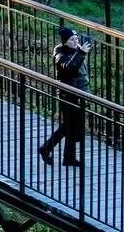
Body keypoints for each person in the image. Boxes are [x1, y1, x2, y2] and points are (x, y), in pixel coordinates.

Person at [38, 26, 91, 167]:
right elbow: (69, 68)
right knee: (69, 126)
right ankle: (46, 149)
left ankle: (68, 157)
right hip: (68, 95)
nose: (75, 42)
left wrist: (79, 51)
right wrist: (80, 53)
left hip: (79, 93)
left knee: (72, 126)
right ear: (65, 42)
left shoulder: (74, 50)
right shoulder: (60, 54)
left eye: (76, 39)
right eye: (72, 40)